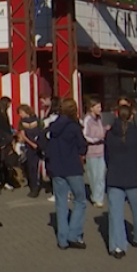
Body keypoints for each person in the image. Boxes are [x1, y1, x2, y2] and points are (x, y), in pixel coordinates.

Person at [104, 104, 137, 258]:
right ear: (132, 116)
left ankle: (118, 246)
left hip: (114, 177)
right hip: (134, 177)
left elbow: (107, 156)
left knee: (115, 214)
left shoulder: (110, 134)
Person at [47, 98, 88, 250]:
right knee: (80, 200)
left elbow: (43, 142)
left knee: (61, 203)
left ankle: (62, 239)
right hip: (72, 168)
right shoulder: (73, 127)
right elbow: (82, 147)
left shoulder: (52, 126)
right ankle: (74, 234)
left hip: (57, 168)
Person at [82, 97, 108, 207]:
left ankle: (99, 198)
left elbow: (101, 132)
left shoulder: (99, 118)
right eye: (98, 107)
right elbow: (86, 135)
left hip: (101, 150)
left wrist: (106, 130)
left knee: (101, 175)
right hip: (91, 151)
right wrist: (97, 139)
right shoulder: (87, 120)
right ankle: (95, 196)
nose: (100, 109)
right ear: (91, 108)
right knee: (93, 175)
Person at [16, 104, 43, 198]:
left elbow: (42, 130)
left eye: (21, 112)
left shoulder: (36, 119)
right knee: (32, 167)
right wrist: (31, 143)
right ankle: (34, 187)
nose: (20, 114)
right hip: (30, 146)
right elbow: (23, 135)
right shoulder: (22, 122)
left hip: (39, 144)